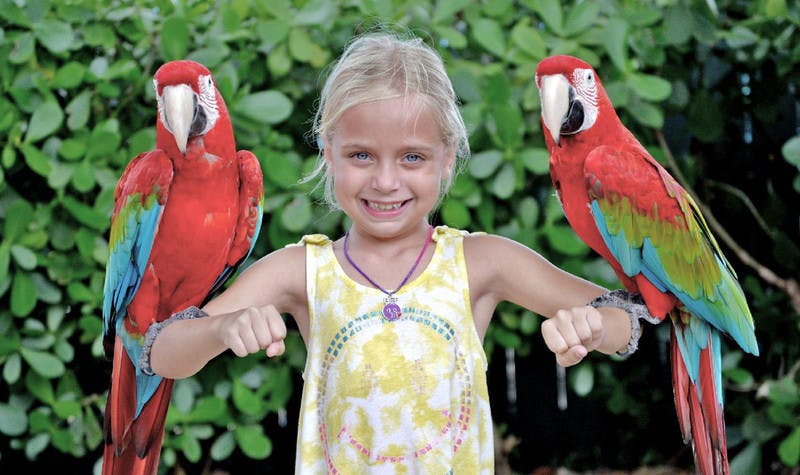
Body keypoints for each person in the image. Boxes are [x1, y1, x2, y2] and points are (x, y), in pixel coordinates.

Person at [144, 32, 650, 473]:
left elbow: (626, 321)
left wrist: (590, 327)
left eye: (412, 157)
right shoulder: (302, 271)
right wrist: (220, 328)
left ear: (447, 158)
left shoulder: (481, 262)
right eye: (361, 155)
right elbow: (164, 353)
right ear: (328, 153)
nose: (385, 182)